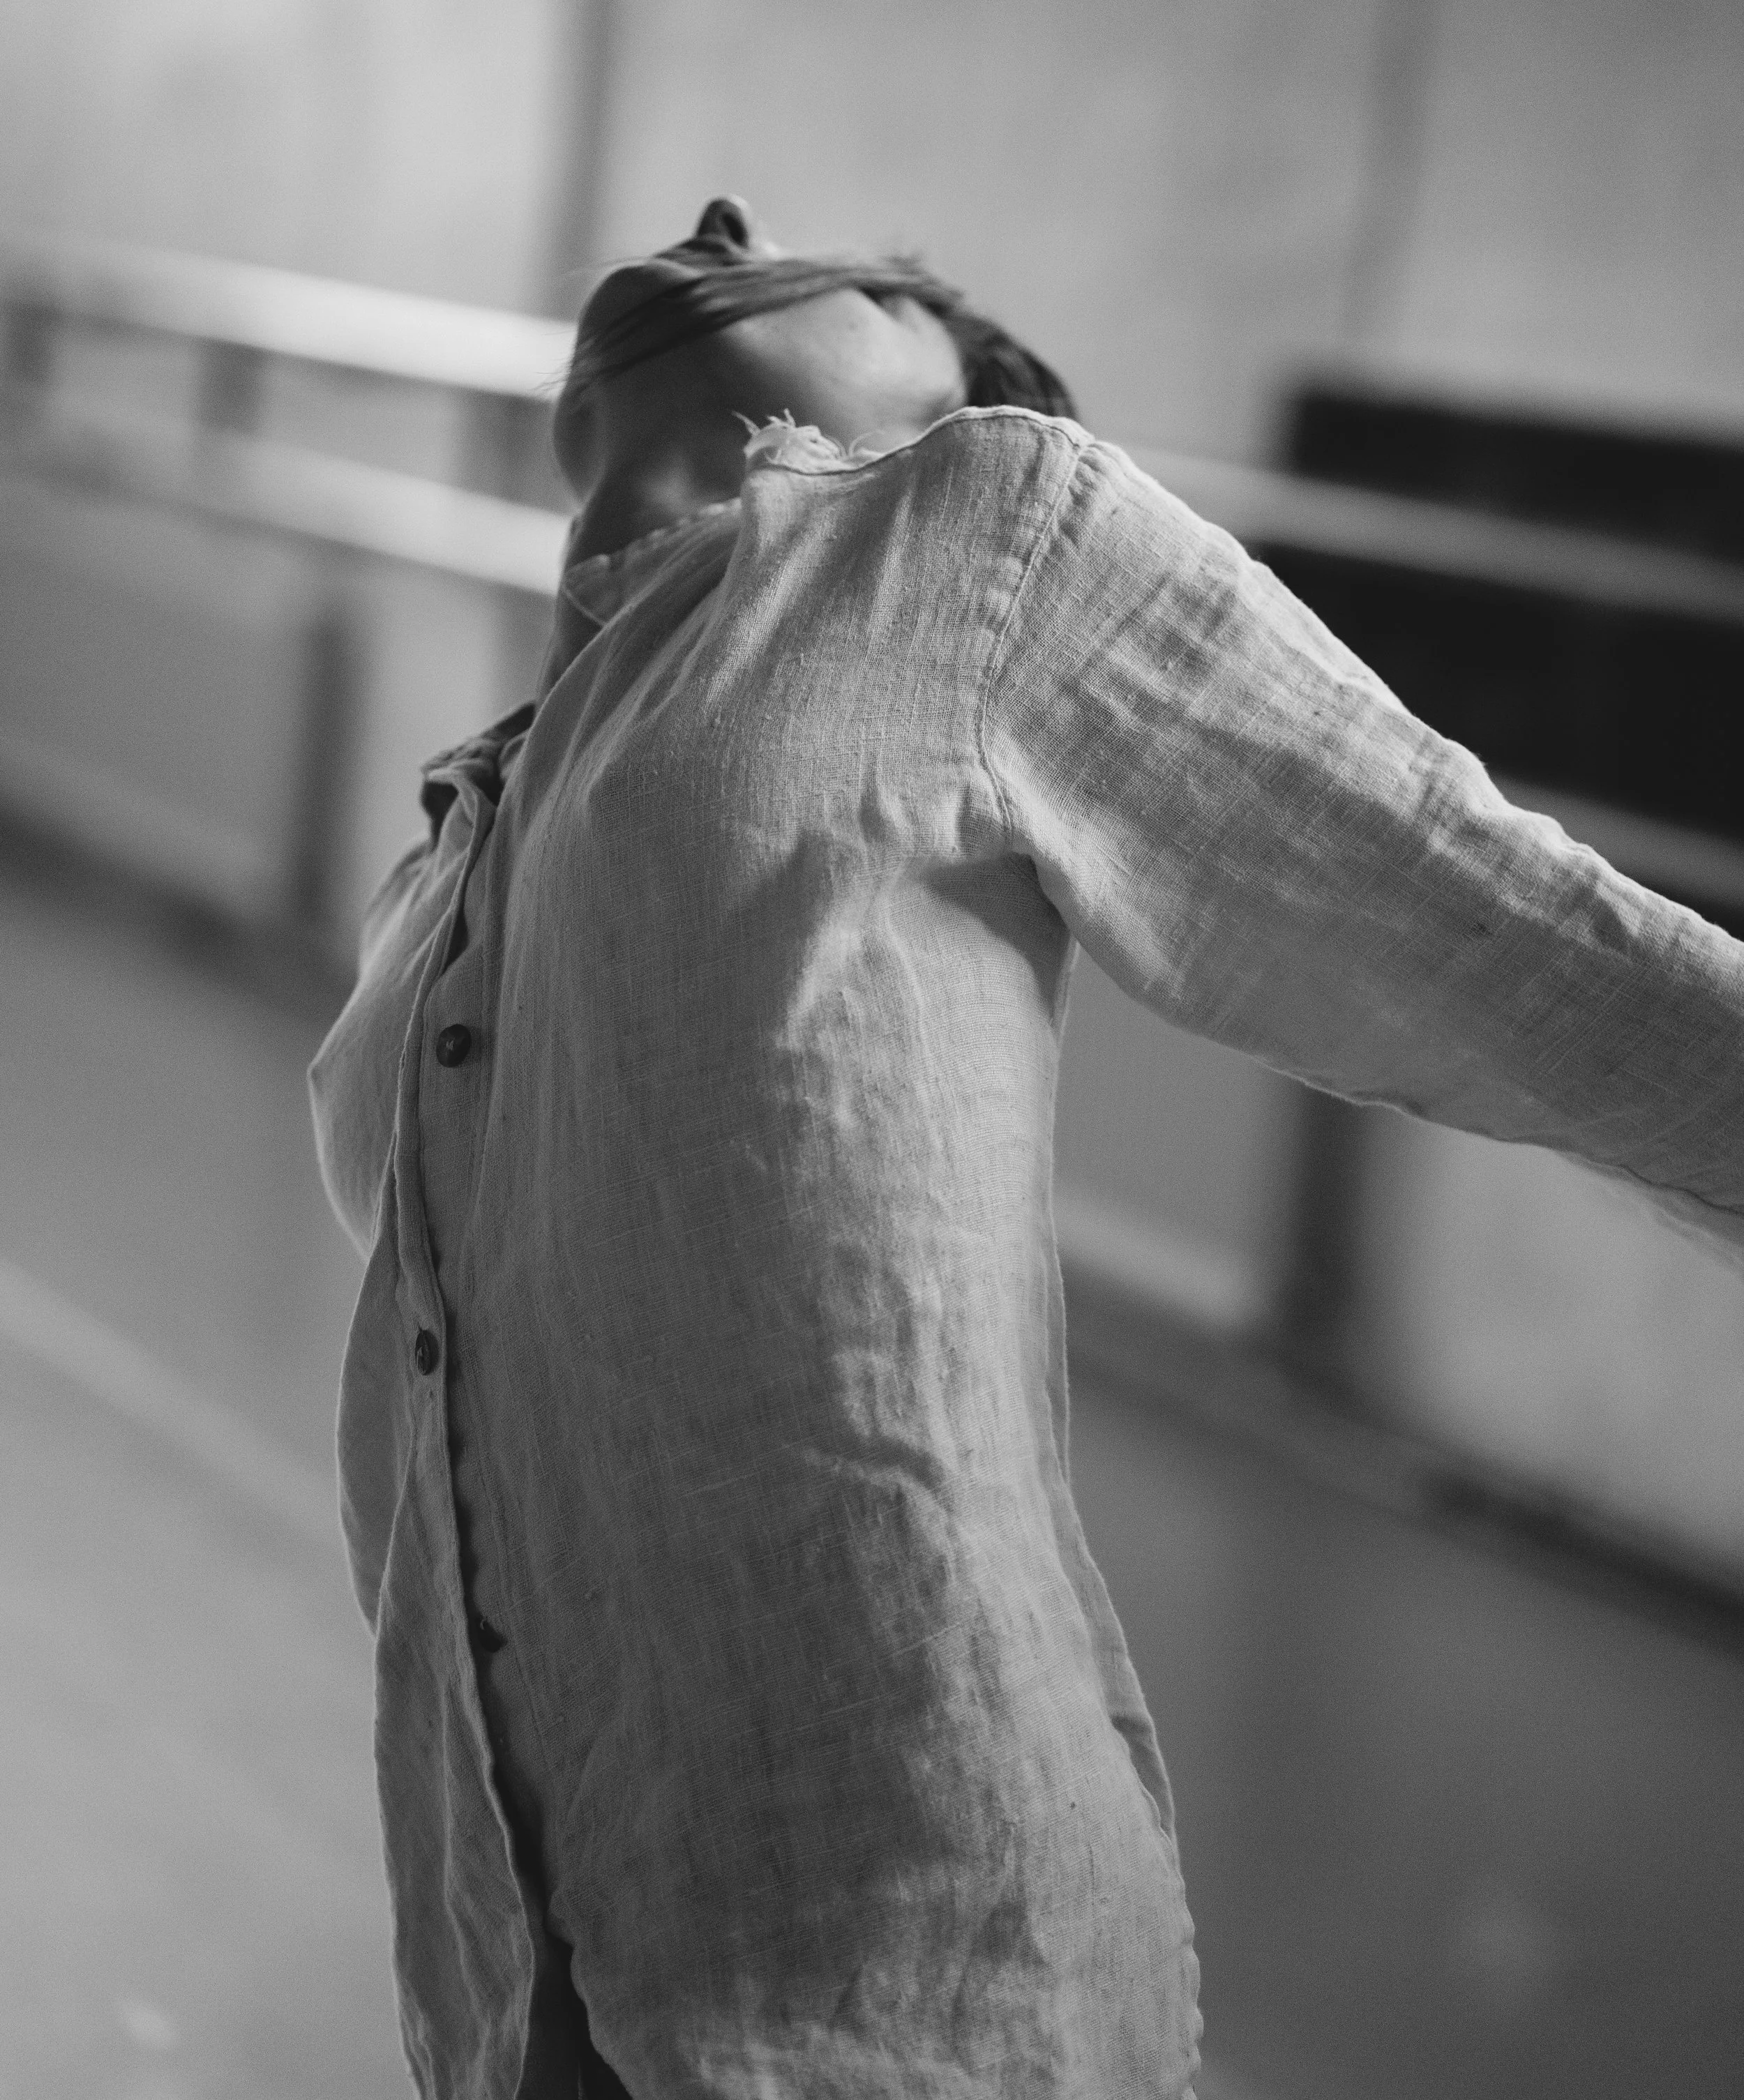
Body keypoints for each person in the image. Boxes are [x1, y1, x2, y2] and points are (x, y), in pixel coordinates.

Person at [309, 195, 1743, 2100]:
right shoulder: (476, 802)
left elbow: (1508, 938)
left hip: (897, 1948)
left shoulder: (968, 541)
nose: (729, 226)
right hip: (507, 1940)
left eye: (878, 270)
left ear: (935, 395)